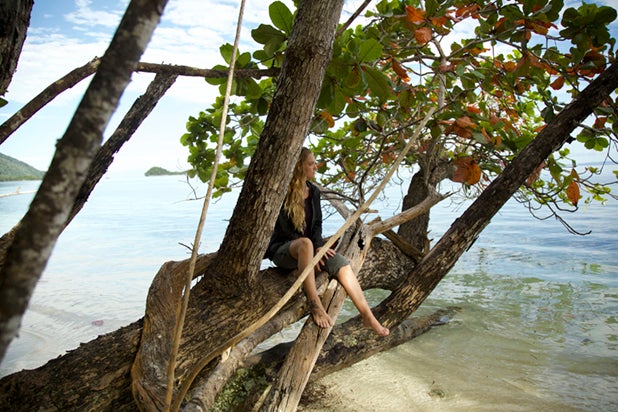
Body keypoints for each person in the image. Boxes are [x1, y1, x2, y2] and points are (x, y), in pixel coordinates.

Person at [265, 147, 389, 336]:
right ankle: (314, 304)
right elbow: (283, 231)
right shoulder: (282, 192)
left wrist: (319, 248)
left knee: (342, 265)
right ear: (299, 167)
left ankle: (368, 316)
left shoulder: (313, 191)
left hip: (309, 249)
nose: (316, 167)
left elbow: (317, 225)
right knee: (305, 244)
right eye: (311, 164)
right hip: (284, 250)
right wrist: (310, 253)